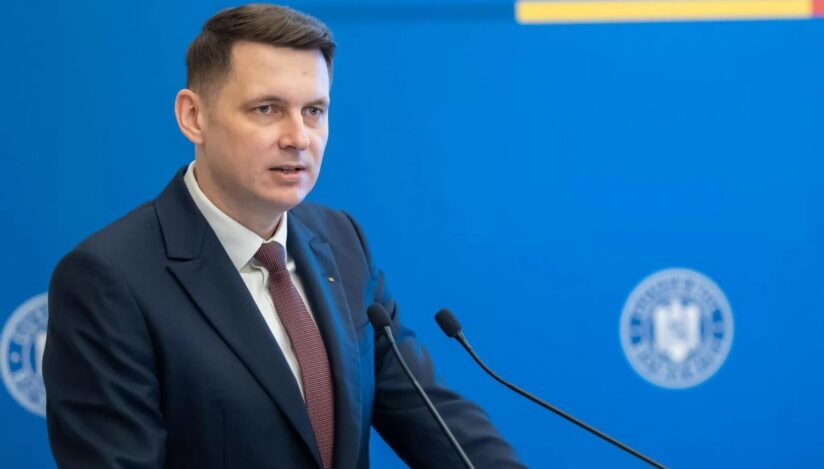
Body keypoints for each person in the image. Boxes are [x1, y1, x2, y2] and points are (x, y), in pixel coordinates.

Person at [43, 4, 523, 468]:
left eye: (314, 110)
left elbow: (430, 415)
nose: (298, 137)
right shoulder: (109, 279)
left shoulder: (343, 241)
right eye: (267, 108)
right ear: (194, 117)